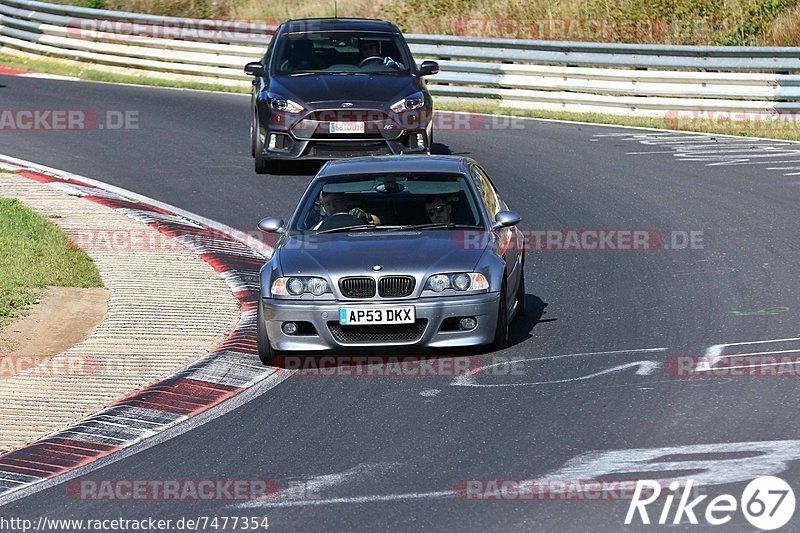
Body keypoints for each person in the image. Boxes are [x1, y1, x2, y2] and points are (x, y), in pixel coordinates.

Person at [314, 191, 381, 229]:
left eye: (336, 201)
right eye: (327, 204)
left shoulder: (358, 215)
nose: (333, 207)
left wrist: (364, 218)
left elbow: (376, 221)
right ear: (323, 208)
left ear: (345, 201)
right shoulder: (320, 225)